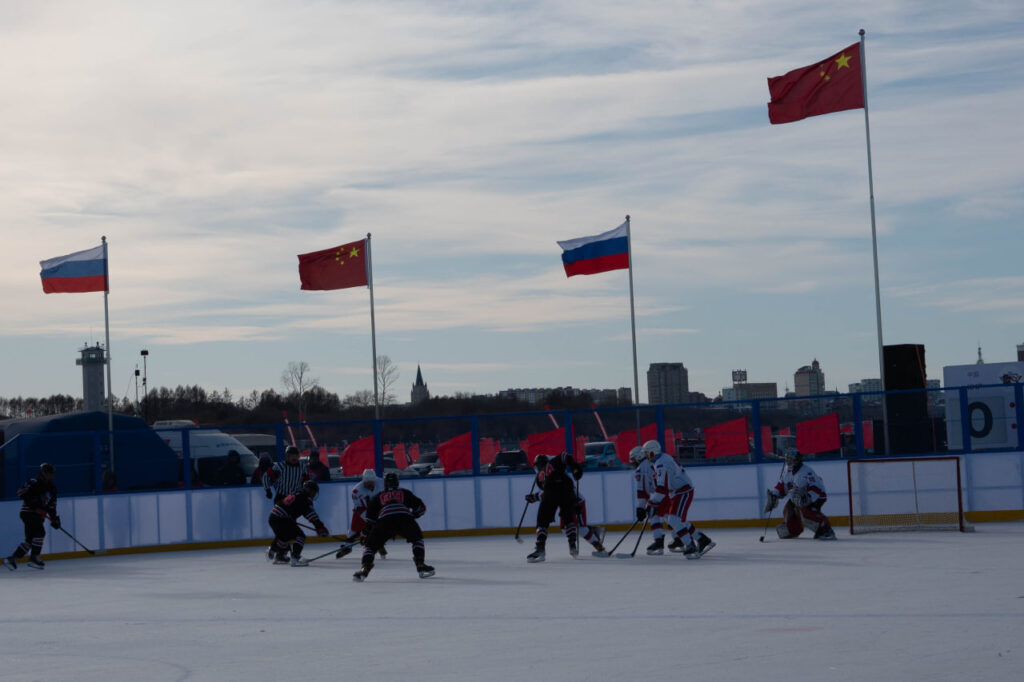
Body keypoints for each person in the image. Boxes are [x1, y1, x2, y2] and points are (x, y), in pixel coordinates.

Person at [352, 472, 433, 581]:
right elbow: (421, 508)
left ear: (385, 484)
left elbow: (370, 520)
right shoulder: (404, 492)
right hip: (404, 518)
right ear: (397, 483)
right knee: (417, 539)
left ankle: (364, 569)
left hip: (384, 521)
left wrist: (366, 534)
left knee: (370, 547)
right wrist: (413, 516)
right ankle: (420, 565)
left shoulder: (378, 496)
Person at [643, 440, 715, 559]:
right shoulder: (661, 460)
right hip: (677, 492)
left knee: (674, 520)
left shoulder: (661, 464)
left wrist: (651, 503)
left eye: (647, 453)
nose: (646, 456)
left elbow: (662, 489)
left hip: (683, 491)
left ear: (652, 452)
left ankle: (690, 545)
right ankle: (702, 539)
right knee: (673, 519)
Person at [764, 450, 836, 540]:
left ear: (797, 460)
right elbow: (783, 485)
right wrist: (775, 494)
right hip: (797, 496)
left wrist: (808, 497)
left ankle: (826, 530)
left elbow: (817, 486)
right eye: (787, 459)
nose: (788, 461)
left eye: (791, 459)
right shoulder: (787, 470)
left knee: (805, 512)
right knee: (788, 509)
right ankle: (793, 530)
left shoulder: (806, 471)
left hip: (817, 497)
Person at [525, 452, 582, 563]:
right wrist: (575, 466)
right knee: (568, 518)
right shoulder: (553, 463)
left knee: (542, 521)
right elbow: (565, 456)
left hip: (553, 493)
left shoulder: (539, 477)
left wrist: (534, 497)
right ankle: (572, 545)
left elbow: (547, 493)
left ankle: (540, 548)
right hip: (567, 491)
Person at [3, 463, 60, 571]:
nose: (52, 476)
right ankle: (34, 558)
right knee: (40, 533)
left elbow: (52, 505)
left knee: (30, 540)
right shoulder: (34, 482)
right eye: (50, 473)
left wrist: (54, 518)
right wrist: (33, 502)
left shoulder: (52, 488)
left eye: (53, 473)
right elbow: (20, 492)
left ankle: (12, 559)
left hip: (38, 515)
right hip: (28, 513)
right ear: (44, 473)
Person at [267, 480, 329, 566]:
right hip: (281, 519)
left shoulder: (297, 493)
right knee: (300, 536)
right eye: (314, 492)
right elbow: (311, 515)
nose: (314, 494)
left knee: (284, 536)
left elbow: (290, 508)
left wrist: (290, 520)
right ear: (309, 490)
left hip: (274, 517)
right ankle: (295, 558)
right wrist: (320, 527)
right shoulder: (304, 499)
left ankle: (279, 555)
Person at [335, 469, 387, 559]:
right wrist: (370, 522)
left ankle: (379, 544)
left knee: (379, 529)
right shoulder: (356, 491)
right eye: (368, 482)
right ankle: (347, 546)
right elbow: (362, 509)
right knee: (354, 531)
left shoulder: (382, 483)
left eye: (372, 482)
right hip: (362, 511)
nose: (370, 485)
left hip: (378, 510)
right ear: (363, 480)